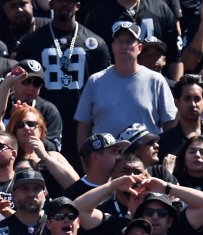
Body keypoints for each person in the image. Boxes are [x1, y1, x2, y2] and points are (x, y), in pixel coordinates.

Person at [15, 0, 110, 162]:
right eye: (60, 1)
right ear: (51, 4)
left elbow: (104, 90)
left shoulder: (97, 44)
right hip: (43, 121)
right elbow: (20, 84)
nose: (65, 5)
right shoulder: (32, 43)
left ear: (78, 5)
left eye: (70, 1)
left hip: (82, 124)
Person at [74, 19, 176, 154]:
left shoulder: (156, 80)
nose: (124, 46)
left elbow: (170, 125)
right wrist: (86, 162)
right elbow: (83, 126)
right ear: (113, 46)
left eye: (129, 42)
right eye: (119, 41)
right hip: (105, 164)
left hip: (144, 163)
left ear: (139, 48)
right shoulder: (95, 81)